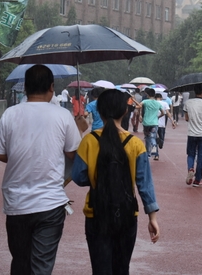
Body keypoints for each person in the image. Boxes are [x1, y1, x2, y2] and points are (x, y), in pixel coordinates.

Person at [0, 65, 88, 275]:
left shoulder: (10, 114)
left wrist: (21, 156)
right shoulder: (62, 116)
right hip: (50, 203)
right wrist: (79, 129)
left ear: (25, 87)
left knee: (20, 261)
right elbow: (74, 155)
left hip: (16, 202)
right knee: (42, 265)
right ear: (52, 87)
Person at [72, 89, 160, 274]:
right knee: (122, 268)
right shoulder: (135, 144)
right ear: (125, 111)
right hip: (127, 215)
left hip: (96, 213)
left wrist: (99, 177)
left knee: (100, 269)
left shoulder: (89, 141)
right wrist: (152, 217)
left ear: (99, 111)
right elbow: (144, 184)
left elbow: (78, 177)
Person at [183, 85, 202, 188]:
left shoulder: (188, 103)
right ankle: (197, 180)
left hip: (191, 133)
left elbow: (186, 118)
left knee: (190, 154)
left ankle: (190, 168)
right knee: (201, 156)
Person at [140, 89, 164, 160]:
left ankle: (148, 154)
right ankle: (154, 148)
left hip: (146, 123)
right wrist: (157, 117)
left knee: (147, 138)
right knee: (153, 137)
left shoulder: (145, 101)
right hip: (154, 123)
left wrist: (140, 115)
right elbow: (163, 113)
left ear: (148, 94)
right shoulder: (158, 103)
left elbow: (138, 106)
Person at [154, 93, 176, 160]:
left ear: (155, 98)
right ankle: (160, 142)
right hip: (162, 125)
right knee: (162, 137)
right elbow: (168, 113)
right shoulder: (164, 103)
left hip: (153, 123)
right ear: (161, 97)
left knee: (153, 140)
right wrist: (172, 121)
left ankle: (156, 154)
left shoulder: (153, 103)